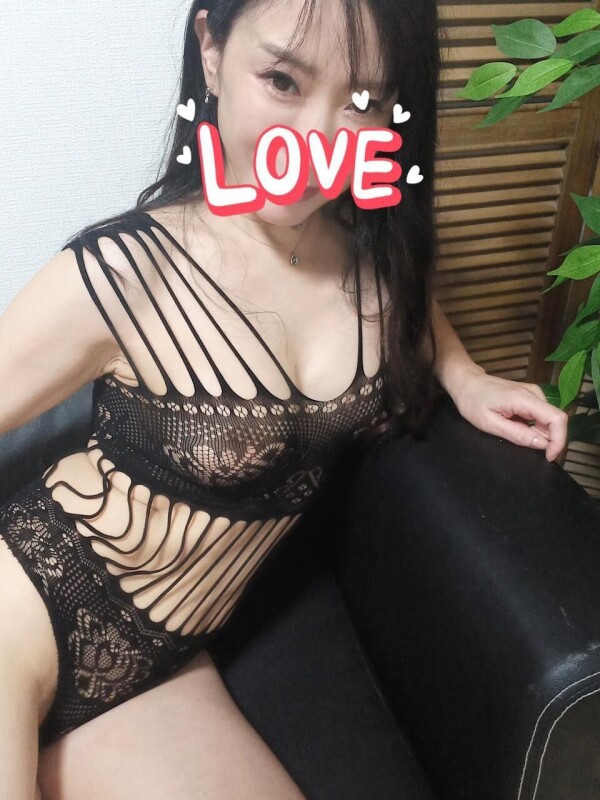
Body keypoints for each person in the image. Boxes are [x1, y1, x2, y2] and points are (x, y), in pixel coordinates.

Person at [0, 1, 568, 798]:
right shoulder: (128, 272)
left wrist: (467, 376)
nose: (318, 141)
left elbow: (410, 311)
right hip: (19, 620)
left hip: (164, 663)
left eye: (363, 101)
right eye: (282, 81)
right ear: (211, 50)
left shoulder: (370, 264)